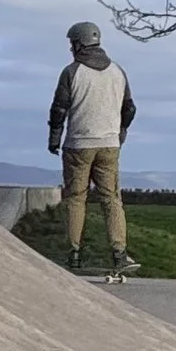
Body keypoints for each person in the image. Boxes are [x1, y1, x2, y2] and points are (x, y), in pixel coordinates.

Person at [47, 18, 138, 274]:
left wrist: (54, 138)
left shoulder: (72, 72)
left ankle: (74, 253)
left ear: (79, 43)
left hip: (78, 144)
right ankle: (120, 253)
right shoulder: (118, 72)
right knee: (112, 199)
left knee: (77, 198)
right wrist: (120, 132)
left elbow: (59, 109)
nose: (70, 48)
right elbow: (129, 108)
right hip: (109, 145)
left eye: (71, 43)